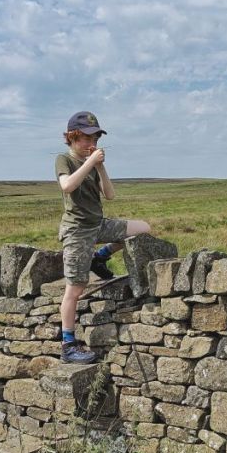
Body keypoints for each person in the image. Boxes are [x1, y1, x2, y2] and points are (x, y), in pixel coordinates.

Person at [55, 111, 151, 363]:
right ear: (72, 137)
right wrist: (90, 163)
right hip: (77, 230)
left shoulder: (93, 163)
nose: (92, 143)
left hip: (98, 225)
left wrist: (100, 166)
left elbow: (109, 195)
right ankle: (68, 345)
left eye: (95, 138)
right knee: (75, 288)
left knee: (143, 230)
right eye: (87, 138)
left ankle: (100, 257)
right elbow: (67, 186)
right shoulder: (64, 159)